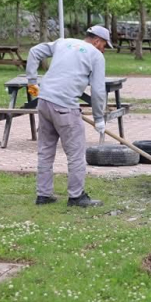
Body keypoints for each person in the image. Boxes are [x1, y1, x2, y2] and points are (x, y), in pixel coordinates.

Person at [25, 26, 112, 207]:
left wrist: (32, 82)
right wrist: (99, 118)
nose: (104, 50)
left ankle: (43, 195)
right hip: (65, 107)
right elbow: (98, 91)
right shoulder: (96, 56)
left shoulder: (63, 42)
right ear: (97, 41)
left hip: (44, 102)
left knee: (45, 151)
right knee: (76, 153)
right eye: (104, 45)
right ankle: (76, 197)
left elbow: (34, 51)